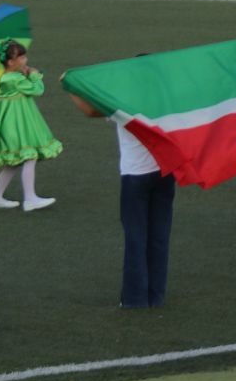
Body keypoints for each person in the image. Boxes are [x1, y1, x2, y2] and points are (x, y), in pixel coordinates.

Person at [70, 86, 175, 308]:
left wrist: (70, 87)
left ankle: (135, 298)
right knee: (159, 235)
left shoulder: (124, 102)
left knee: (136, 236)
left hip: (135, 176)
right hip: (165, 173)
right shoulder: (169, 100)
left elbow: (91, 111)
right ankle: (155, 296)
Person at [0, 41, 60, 212]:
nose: (24, 59)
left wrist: (25, 74)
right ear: (11, 62)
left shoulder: (5, 77)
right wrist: (34, 75)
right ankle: (30, 199)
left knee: (13, 162)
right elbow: (37, 90)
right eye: (20, 56)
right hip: (18, 121)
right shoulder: (16, 79)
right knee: (29, 156)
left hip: (11, 119)